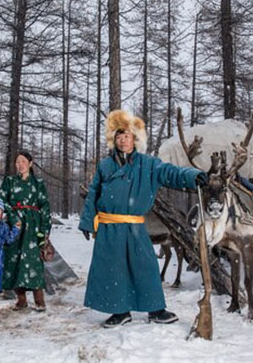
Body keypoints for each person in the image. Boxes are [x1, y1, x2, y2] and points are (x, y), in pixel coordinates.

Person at [79, 110, 208, 328]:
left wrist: (193, 176)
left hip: (135, 226)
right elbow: (94, 193)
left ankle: (156, 309)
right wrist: (86, 220)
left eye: (126, 136)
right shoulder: (105, 166)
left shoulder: (148, 164)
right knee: (114, 269)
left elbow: (171, 173)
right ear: (114, 140)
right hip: (110, 227)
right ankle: (120, 312)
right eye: (118, 137)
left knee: (145, 265)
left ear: (134, 139)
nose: (122, 141)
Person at [0, 150, 52, 311]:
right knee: (13, 261)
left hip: (33, 227)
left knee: (34, 262)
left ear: (30, 163)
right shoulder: (9, 181)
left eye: (23, 161)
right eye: (17, 162)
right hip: (14, 227)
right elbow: (2, 201)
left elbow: (45, 206)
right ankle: (21, 300)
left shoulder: (38, 183)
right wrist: (13, 217)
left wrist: (44, 229)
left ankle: (39, 301)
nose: (20, 164)